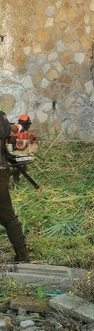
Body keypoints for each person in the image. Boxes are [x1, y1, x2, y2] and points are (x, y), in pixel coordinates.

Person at [0, 111, 30, 262]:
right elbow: (10, 130)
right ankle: (23, 256)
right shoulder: (1, 117)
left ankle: (23, 256)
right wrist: (15, 127)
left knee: (7, 217)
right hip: (2, 172)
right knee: (7, 217)